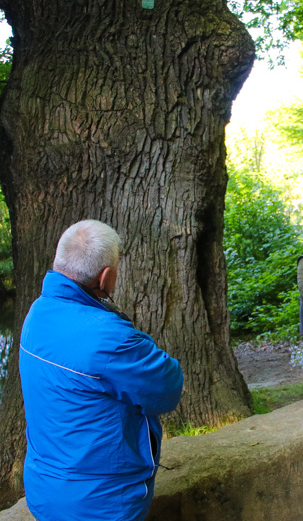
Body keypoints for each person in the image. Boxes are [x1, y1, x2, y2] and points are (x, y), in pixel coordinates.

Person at [20, 220, 184, 521]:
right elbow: (168, 387)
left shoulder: (38, 313)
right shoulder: (111, 338)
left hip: (44, 490)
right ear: (106, 277)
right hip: (102, 505)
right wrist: (132, 336)